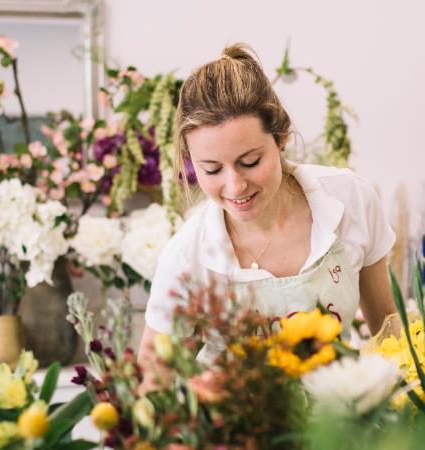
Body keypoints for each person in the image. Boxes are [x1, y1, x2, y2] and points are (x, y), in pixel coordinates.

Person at [138, 43, 397, 370]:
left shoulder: (350, 200)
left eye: (250, 161)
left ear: (281, 137)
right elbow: (151, 381)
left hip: (337, 414)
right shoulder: (186, 257)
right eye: (212, 169)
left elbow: (388, 328)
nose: (235, 187)